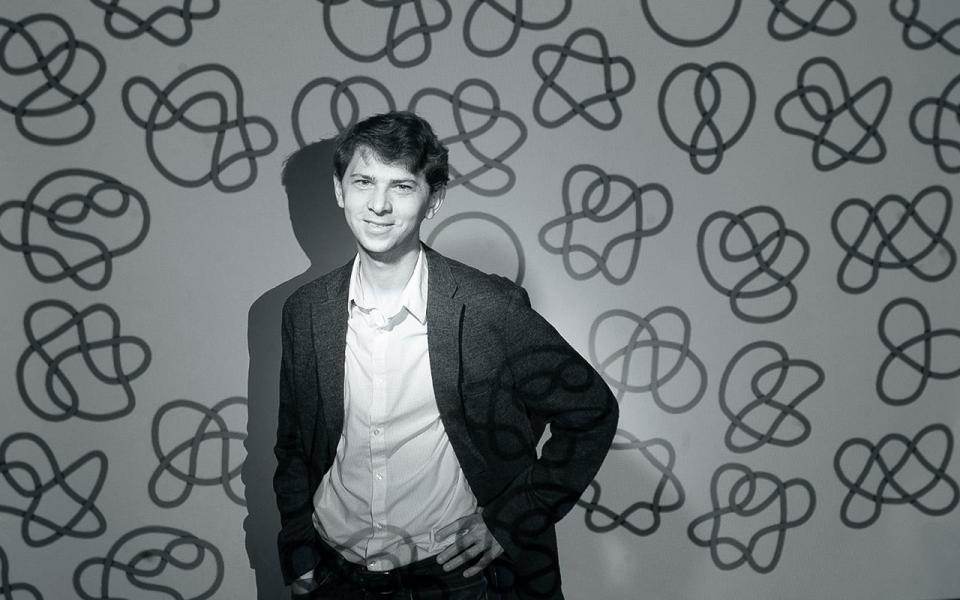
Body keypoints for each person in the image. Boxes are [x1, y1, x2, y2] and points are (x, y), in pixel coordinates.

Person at [273, 110, 618, 599]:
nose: (379, 205)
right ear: (339, 190)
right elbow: (293, 445)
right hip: (336, 577)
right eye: (364, 182)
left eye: (401, 186)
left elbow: (591, 412)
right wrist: (298, 552)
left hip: (454, 581)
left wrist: (512, 521)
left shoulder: (488, 308)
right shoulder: (306, 311)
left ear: (433, 200)